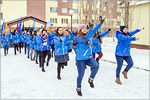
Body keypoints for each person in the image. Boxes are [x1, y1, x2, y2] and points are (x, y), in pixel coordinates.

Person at [73, 16, 105, 96]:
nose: (85, 30)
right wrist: (90, 30)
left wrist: (99, 24)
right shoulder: (79, 37)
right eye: (83, 29)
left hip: (88, 57)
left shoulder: (89, 36)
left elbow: (93, 31)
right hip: (80, 59)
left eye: (86, 29)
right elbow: (89, 34)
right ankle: (78, 88)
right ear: (80, 30)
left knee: (96, 66)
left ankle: (91, 79)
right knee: (81, 75)